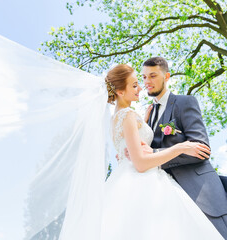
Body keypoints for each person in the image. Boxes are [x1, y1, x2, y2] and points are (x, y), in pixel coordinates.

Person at [95, 64, 223, 239]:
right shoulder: (129, 115)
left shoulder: (118, 118)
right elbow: (140, 162)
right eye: (134, 85)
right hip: (146, 181)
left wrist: (145, 124)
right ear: (120, 92)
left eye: (149, 77)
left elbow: (130, 150)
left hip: (129, 180)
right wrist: (181, 146)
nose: (141, 86)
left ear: (167, 76)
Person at [138, 56, 227, 238]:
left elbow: (202, 149)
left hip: (200, 192)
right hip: (166, 199)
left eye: (153, 75)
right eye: (144, 77)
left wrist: (155, 155)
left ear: (167, 76)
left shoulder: (185, 102)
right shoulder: (148, 113)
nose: (147, 81)